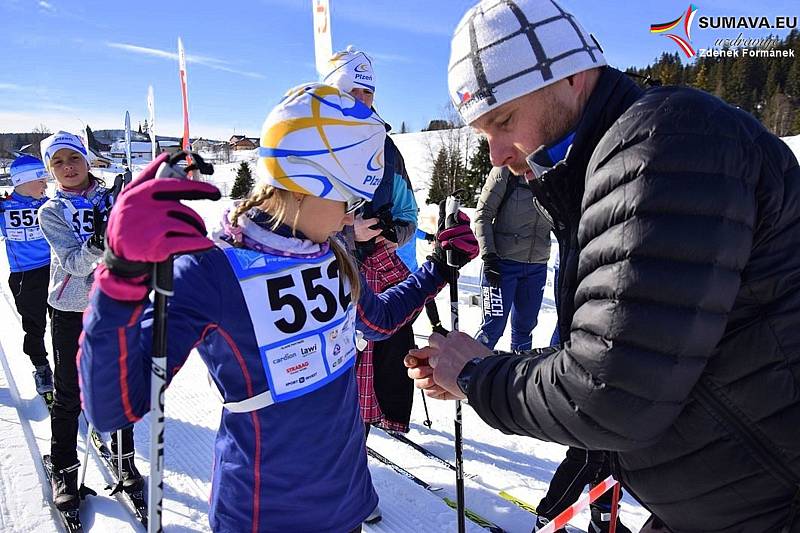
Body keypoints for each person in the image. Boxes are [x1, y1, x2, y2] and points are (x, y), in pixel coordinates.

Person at [407, 1, 800, 532]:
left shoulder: (663, 143)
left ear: (570, 75)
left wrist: (476, 374)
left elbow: (612, 395)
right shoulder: (597, 166)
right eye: (483, 135)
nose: (497, 153)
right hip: (724, 498)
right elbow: (632, 347)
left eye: (503, 120)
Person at [78, 83, 478, 533]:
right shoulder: (213, 270)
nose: (351, 215)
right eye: (347, 199)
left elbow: (377, 321)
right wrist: (119, 281)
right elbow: (114, 406)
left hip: (347, 503)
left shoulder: (333, 251)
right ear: (307, 183)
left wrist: (439, 269)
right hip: (263, 515)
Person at [38, 131, 142, 511]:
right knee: (69, 395)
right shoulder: (51, 211)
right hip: (71, 309)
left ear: (86, 159)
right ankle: (64, 470)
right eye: (58, 162)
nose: (68, 167)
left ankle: (124, 462)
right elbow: (73, 262)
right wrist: (100, 239)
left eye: (73, 158)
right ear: (51, 169)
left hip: (116, 303)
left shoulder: (114, 196)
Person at [323, 47, 422, 435]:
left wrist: (391, 233)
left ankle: (354, 463)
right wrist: (347, 230)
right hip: (320, 276)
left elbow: (408, 214)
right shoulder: (310, 141)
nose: (363, 101)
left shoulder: (385, 147)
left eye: (369, 94)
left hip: (370, 277)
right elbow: (289, 219)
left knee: (369, 377)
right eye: (354, 92)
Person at [474, 166, 550, 351]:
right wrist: (489, 256)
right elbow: (483, 215)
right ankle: (470, 374)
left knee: (525, 329)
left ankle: (519, 376)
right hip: (501, 264)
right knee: (491, 329)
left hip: (537, 266)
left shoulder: (552, 170)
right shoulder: (505, 171)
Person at [0, 155, 53, 402]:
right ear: (24, 181)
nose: (44, 185)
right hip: (24, 277)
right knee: (34, 325)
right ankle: (41, 367)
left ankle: (71, 368)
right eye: (40, 180)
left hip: (55, 270)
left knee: (65, 323)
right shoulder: (4, 208)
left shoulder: (50, 205)